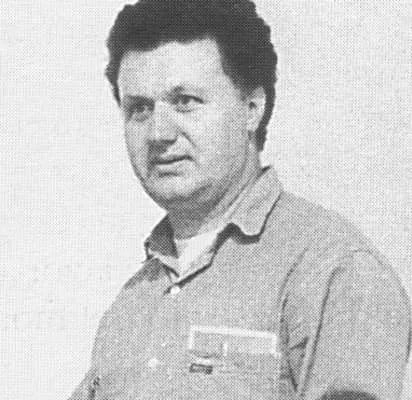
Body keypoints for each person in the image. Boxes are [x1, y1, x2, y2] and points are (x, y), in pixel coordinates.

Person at [68, 0, 411, 399]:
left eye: (185, 101)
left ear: (252, 109)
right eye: (139, 108)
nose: (159, 133)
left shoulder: (333, 270)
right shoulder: (132, 302)